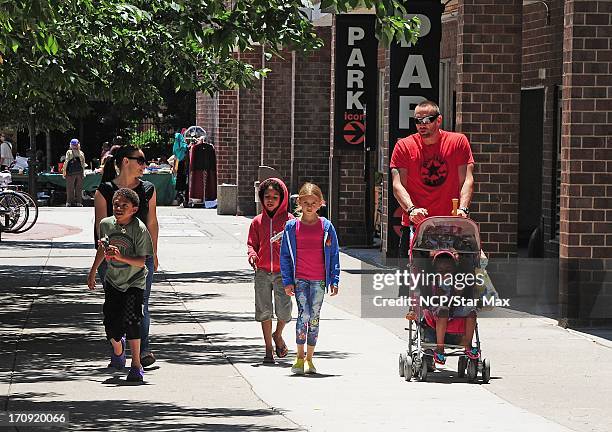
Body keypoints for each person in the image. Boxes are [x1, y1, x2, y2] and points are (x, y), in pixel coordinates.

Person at [391, 100, 477, 360]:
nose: (422, 125)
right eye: (418, 120)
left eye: (428, 120)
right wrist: (412, 209)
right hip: (421, 227)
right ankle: (424, 330)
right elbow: (398, 184)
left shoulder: (458, 142)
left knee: (464, 276)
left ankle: (464, 340)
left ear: (439, 120)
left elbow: (467, 179)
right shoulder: (404, 146)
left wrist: (463, 208)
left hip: (453, 225)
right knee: (421, 281)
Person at [94, 145, 159, 368]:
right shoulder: (104, 190)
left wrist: (155, 253)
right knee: (114, 304)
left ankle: (141, 353)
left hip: (140, 258)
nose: (144, 165)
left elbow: (152, 223)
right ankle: (118, 347)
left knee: (140, 304)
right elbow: (100, 228)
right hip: (112, 260)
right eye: (140, 160)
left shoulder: (148, 189)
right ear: (124, 162)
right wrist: (100, 262)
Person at [87, 188, 154, 382]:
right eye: (116, 204)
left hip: (135, 281)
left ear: (134, 209)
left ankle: (136, 365)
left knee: (132, 320)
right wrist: (93, 272)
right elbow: (102, 249)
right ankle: (118, 349)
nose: (118, 208)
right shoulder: (106, 224)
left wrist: (120, 256)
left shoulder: (139, 229)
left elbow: (142, 261)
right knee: (111, 324)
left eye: (124, 205)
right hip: (114, 280)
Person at [280, 182, 340, 375]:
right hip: (300, 279)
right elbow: (285, 256)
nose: (309, 205)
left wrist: (335, 279)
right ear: (299, 202)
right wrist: (287, 280)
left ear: (321, 203)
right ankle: (299, 357)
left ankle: (310, 359)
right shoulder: (291, 227)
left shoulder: (326, 227)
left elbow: (334, 254)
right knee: (303, 314)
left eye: (313, 202)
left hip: (319, 280)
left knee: (314, 317)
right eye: (305, 201)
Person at [247, 178, 294, 364]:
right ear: (261, 197)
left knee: (284, 311)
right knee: (264, 311)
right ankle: (268, 350)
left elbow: (297, 246)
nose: (270, 200)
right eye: (267, 196)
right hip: (262, 272)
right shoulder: (257, 222)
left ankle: (278, 334)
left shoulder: (290, 221)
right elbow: (252, 244)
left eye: (275, 197)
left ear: (282, 199)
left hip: (283, 273)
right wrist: (252, 254)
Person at [407, 251, 479, 364]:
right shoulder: (432, 282)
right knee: (443, 309)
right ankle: (440, 348)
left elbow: (461, 299)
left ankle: (467, 344)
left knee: (472, 311)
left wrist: (457, 293)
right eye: (440, 271)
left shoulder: (457, 281)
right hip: (436, 311)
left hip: (455, 309)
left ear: (454, 271)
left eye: (448, 270)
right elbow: (428, 300)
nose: (444, 273)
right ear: (435, 271)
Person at [62, 138, 87, 207]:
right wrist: (83, 173)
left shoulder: (69, 152)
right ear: (78, 145)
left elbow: (66, 162)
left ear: (71, 145)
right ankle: (79, 203)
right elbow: (83, 164)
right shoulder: (81, 153)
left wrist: (64, 171)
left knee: (70, 188)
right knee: (79, 188)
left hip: (70, 173)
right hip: (79, 172)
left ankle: (69, 202)